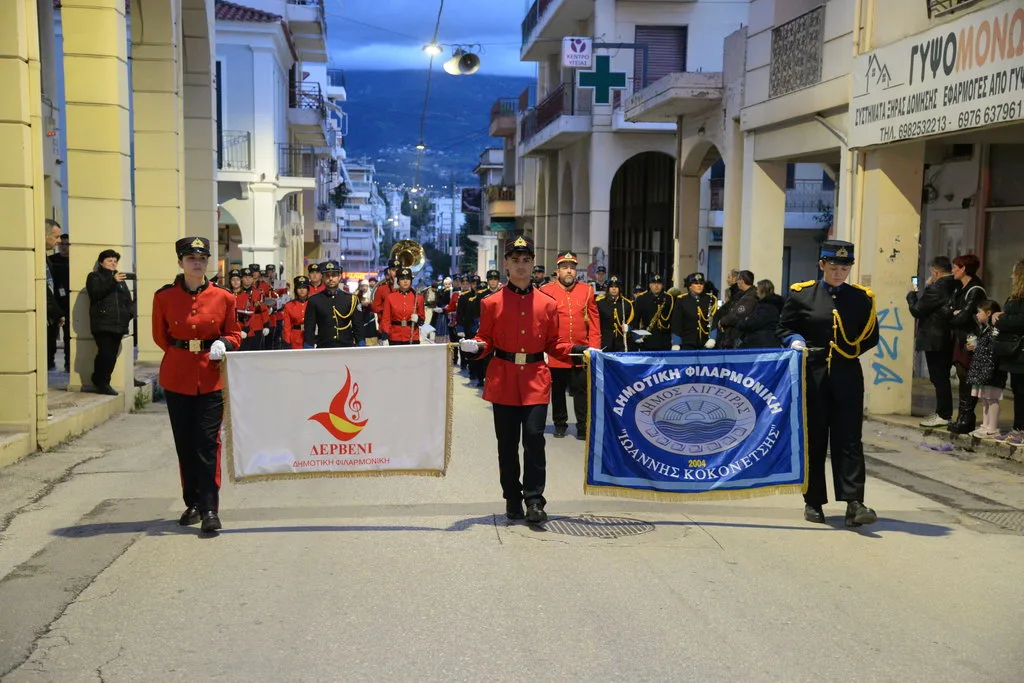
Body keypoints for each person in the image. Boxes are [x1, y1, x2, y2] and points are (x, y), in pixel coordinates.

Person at [459, 236, 575, 523]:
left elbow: (555, 344)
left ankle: (534, 499)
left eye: (526, 261)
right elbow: (485, 338)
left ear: (533, 263)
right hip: (504, 379)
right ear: (506, 264)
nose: (521, 266)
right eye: (515, 260)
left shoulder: (548, 304)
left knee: (535, 439)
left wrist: (578, 351)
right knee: (507, 444)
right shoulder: (491, 302)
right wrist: (475, 346)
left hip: (536, 378)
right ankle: (512, 497)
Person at [778, 240, 880, 527]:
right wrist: (794, 340)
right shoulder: (802, 295)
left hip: (847, 375)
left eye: (845, 268)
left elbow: (871, 335)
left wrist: (848, 352)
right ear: (822, 265)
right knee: (814, 438)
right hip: (813, 375)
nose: (839, 274)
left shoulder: (862, 298)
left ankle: (854, 502)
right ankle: (813, 501)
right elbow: (783, 326)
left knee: (849, 439)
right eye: (834, 267)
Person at [152, 237, 241, 534]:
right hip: (178, 377)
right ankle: (191, 501)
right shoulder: (164, 297)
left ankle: (209, 508)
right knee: (185, 444)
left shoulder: (224, 297)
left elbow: (235, 333)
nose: (197, 263)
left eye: (202, 259)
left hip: (212, 376)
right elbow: (160, 337)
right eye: (191, 258)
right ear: (181, 262)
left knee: (207, 443)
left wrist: (223, 342)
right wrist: (183, 352)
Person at [542, 251, 601, 439]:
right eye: (565, 268)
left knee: (581, 390)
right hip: (556, 352)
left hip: (581, 351)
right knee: (558, 389)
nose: (569, 271)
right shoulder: (546, 291)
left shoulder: (587, 291)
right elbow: (541, 323)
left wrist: (594, 348)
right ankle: (560, 423)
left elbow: (594, 322)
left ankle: (583, 426)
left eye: (572, 268)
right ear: (557, 270)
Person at [906, 256, 957, 428]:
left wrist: (912, 294)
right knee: (942, 376)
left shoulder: (936, 288)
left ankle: (943, 414)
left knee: (939, 377)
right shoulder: (955, 284)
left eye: (931, 273)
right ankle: (943, 413)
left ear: (936, 272)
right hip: (948, 337)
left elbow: (917, 310)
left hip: (935, 339)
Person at [85, 249, 135, 395]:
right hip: (102, 322)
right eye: (109, 260)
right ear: (101, 262)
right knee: (105, 353)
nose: (113, 263)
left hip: (119, 323)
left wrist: (129, 313)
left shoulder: (119, 279)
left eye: (115, 261)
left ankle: (103, 380)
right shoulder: (94, 276)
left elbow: (127, 299)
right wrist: (112, 281)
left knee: (112, 354)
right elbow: (95, 293)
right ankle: (100, 381)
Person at [948, 254, 986, 434]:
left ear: (964, 269)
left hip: (972, 338)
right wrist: (953, 313)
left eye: (955, 267)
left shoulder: (975, 289)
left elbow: (963, 317)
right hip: (961, 337)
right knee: (963, 376)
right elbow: (950, 309)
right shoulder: (960, 288)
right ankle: (963, 417)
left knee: (968, 378)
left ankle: (966, 417)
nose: (953, 270)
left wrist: (954, 314)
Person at [993, 260, 1024, 444]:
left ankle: (1020, 429)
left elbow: (1019, 321)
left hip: (1021, 351)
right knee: (1018, 391)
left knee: (1022, 392)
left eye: (1014, 273)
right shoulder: (1014, 297)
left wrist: (1000, 319)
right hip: (1014, 352)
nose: (1011, 276)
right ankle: (1017, 427)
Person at [964, 299, 1005, 439]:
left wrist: (978, 347)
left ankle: (992, 427)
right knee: (984, 398)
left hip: (991, 370)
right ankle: (986, 425)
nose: (977, 314)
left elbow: (993, 348)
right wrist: (975, 348)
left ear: (988, 313)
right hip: (983, 369)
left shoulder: (994, 329)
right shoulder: (984, 328)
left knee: (992, 398)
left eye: (979, 312)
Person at [303, 260, 364, 348]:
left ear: (339, 277)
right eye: (327, 275)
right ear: (322, 277)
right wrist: (308, 347)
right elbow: (309, 328)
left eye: (334, 275)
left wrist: (361, 345)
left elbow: (358, 325)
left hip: (347, 346)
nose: (330, 278)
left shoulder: (351, 299)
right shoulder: (314, 300)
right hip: (324, 347)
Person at [380, 267, 425, 346]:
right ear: (398, 281)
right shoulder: (390, 297)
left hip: (412, 336)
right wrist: (385, 337)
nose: (405, 281)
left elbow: (422, 319)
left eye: (408, 279)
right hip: (395, 336)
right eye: (402, 279)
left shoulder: (418, 297)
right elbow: (386, 319)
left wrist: (418, 319)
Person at [673, 272, 718, 350]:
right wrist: (676, 342)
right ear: (690, 286)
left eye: (701, 283)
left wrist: (713, 338)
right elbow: (677, 322)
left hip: (706, 342)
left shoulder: (711, 298)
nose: (699, 285)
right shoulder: (682, 299)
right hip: (687, 342)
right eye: (696, 283)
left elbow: (714, 319)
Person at [735, 279, 784, 349]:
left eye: (758, 289)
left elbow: (752, 323)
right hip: (769, 341)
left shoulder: (766, 307)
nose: (756, 291)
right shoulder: (773, 305)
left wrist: (742, 323)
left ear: (762, 291)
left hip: (761, 343)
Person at [714, 269, 756, 349]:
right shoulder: (743, 295)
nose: (737, 283)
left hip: (742, 335)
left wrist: (722, 321)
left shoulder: (749, 297)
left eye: (738, 280)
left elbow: (737, 314)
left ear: (742, 281)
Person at [632, 273, 675, 351]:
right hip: (647, 339)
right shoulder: (642, 298)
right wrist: (636, 336)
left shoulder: (669, 298)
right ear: (649, 285)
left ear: (662, 285)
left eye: (659, 283)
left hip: (665, 339)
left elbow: (673, 319)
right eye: (654, 283)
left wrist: (675, 340)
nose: (656, 286)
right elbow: (635, 319)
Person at [43, 219, 65, 371]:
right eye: (56, 237)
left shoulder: (46, 258)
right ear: (45, 235)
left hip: (50, 315)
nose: (58, 241)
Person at [49, 232, 71, 371]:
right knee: (51, 335)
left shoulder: (76, 261)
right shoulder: (51, 260)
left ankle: (68, 363)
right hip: (53, 303)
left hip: (69, 304)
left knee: (69, 336)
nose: (63, 247)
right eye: (61, 244)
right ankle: (49, 363)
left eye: (67, 244)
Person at [596, 276, 634, 352]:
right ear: (608, 289)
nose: (614, 289)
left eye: (616, 287)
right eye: (611, 287)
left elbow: (634, 322)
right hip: (605, 342)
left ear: (620, 288)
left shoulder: (627, 304)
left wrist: (628, 327)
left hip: (621, 342)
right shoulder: (599, 303)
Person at [281, 276, 311, 350]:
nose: (302, 290)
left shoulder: (312, 304)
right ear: (295, 290)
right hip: (295, 338)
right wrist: (287, 342)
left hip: (310, 337)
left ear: (308, 289)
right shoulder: (289, 305)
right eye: (299, 288)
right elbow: (287, 326)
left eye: (304, 288)